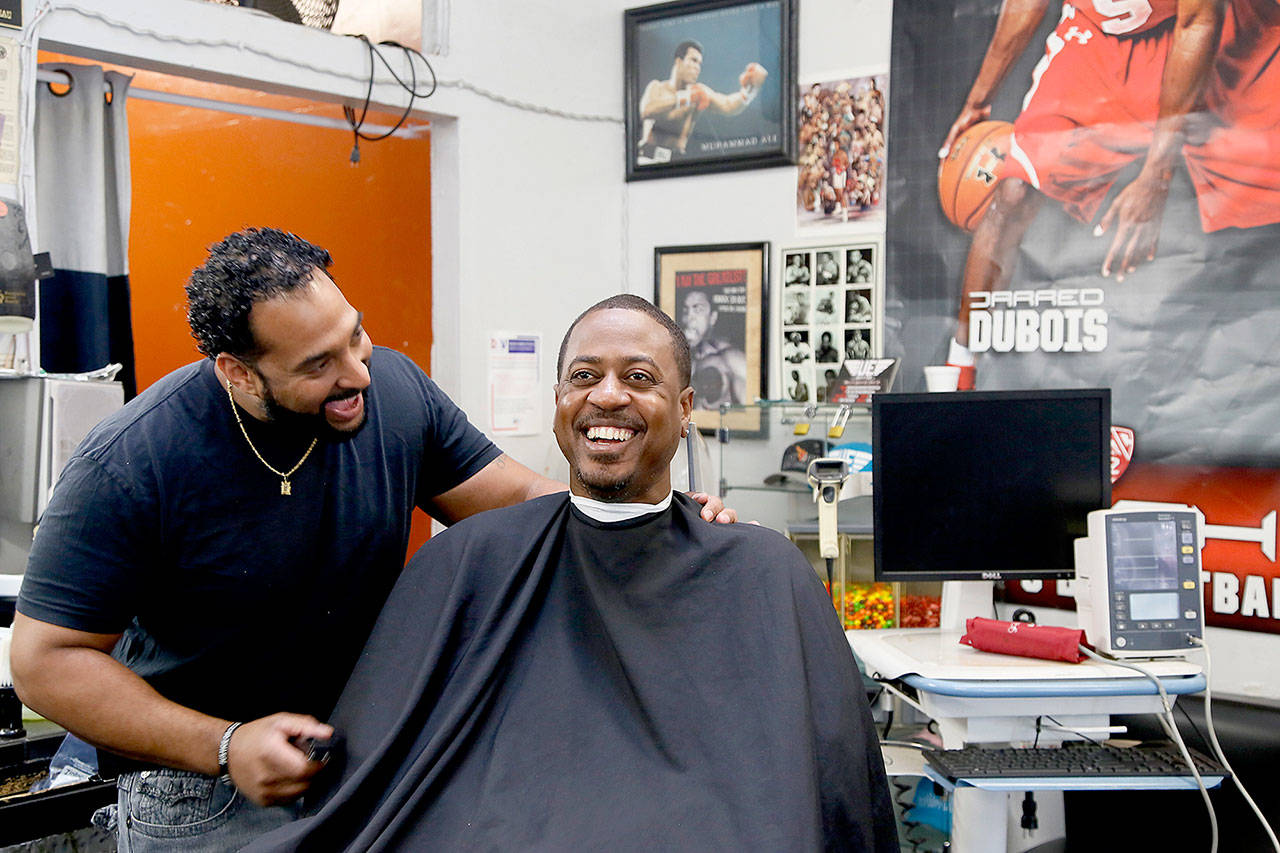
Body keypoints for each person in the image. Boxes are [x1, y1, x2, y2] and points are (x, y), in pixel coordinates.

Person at [10, 229, 734, 852]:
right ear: (237, 373)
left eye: (353, 334)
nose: (357, 373)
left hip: (360, 759)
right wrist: (226, 746)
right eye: (316, 365)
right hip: (203, 795)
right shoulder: (135, 462)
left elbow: (514, 497)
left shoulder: (391, 390)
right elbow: (47, 660)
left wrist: (662, 516)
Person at [246, 295, 899, 852]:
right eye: (585, 376)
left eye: (639, 377)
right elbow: (375, 776)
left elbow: (832, 794)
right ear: (559, 398)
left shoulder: (762, 572)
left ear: (686, 404)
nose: (607, 395)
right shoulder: (466, 561)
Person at [938, 0, 1227, 388]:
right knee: (1012, 193)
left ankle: (1166, 395)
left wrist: (1157, 173)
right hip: (1091, 40)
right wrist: (977, 101)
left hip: (1174, 41)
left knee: (1220, 199)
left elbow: (1197, 24)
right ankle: (960, 370)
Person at [636, 39, 768, 162]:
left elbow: (728, 105)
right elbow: (646, 110)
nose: (697, 67)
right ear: (678, 61)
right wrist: (686, 98)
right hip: (647, 159)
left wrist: (748, 91)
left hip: (676, 163)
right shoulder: (657, 87)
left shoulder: (700, 91)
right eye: (693, 60)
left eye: (699, 63)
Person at [679, 287, 747, 407]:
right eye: (685, 310)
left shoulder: (731, 359)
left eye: (698, 310)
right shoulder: (678, 360)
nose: (689, 318)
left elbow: (751, 412)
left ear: (712, 317)